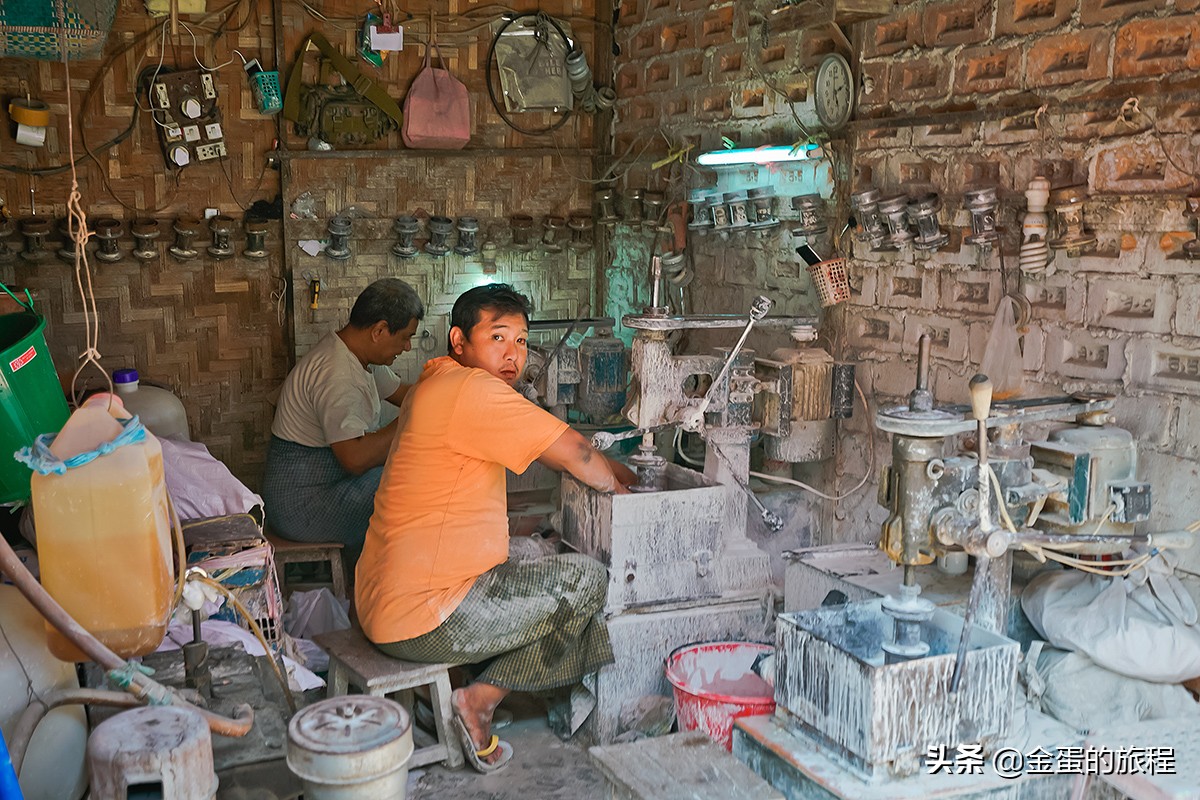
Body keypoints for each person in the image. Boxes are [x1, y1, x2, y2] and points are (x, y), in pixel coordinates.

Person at [356, 283, 634, 773]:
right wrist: (629, 498)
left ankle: (450, 691)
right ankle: (478, 701)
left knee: (535, 558)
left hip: (380, 601)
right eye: (498, 337)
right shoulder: (474, 389)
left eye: (522, 341)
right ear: (459, 341)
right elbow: (576, 453)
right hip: (422, 618)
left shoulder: (433, 384)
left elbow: (562, 453)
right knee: (587, 583)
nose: (513, 354)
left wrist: (616, 470)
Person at [262, 278, 424, 567]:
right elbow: (355, 459)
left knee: (405, 472)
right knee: (406, 483)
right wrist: (418, 416)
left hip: (326, 488)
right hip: (301, 507)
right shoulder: (337, 373)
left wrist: (445, 393)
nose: (408, 347)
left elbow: (406, 395)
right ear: (379, 331)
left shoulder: (359, 356)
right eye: (405, 337)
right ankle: (392, 575)